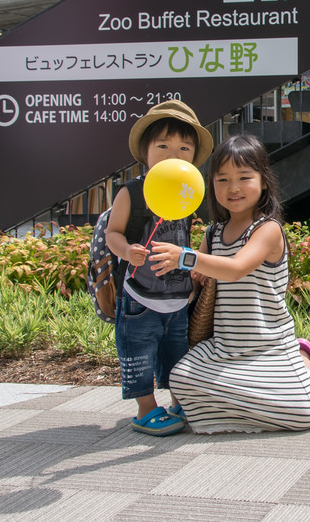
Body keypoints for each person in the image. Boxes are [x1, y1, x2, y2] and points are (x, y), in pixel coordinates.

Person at [150, 134, 310, 434]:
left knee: (302, 415)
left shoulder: (268, 229)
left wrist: (186, 258)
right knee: (180, 379)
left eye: (244, 177)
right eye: (222, 179)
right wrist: (192, 276)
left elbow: (236, 268)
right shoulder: (212, 234)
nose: (233, 188)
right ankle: (255, 405)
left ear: (263, 181)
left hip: (269, 347)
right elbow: (202, 279)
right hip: (224, 347)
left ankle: (305, 362)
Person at [106, 99, 213, 437]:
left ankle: (180, 400)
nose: (173, 154)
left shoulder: (186, 192)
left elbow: (188, 234)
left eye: (184, 147)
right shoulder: (132, 193)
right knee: (138, 351)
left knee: (176, 353)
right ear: (146, 151)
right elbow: (112, 233)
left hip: (177, 297)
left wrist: (196, 262)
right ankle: (145, 409)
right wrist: (127, 250)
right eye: (163, 145)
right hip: (139, 297)